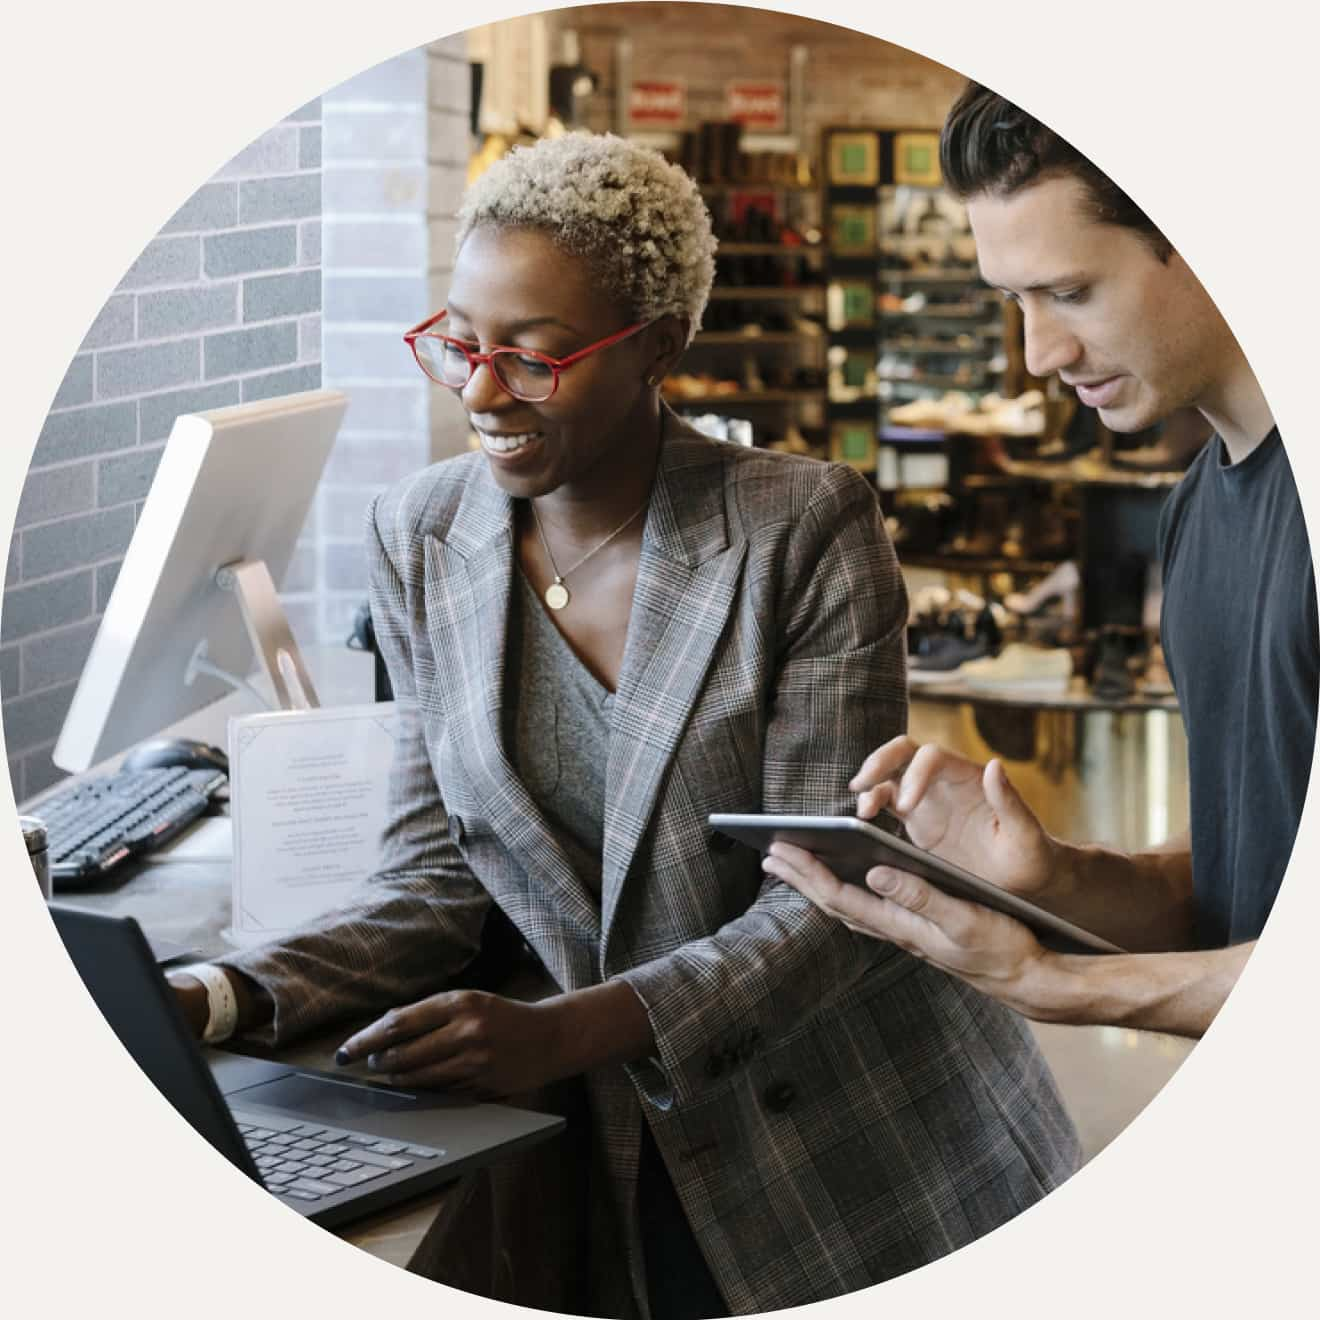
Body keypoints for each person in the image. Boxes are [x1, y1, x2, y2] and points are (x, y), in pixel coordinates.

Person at [168, 132, 1080, 1318]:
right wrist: (218, 997)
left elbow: (834, 891)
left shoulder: (800, 529)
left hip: (841, 1134)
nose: (484, 391)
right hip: (601, 1134)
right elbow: (437, 871)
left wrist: (570, 1030)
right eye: (460, 344)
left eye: (536, 359)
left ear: (659, 346)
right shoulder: (419, 535)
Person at [767, 83, 1316, 1040]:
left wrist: (1062, 985)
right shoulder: (1199, 511)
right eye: (1016, 300)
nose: (1038, 352)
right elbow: (1242, 883)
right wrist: (1049, 879)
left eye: (1069, 293)